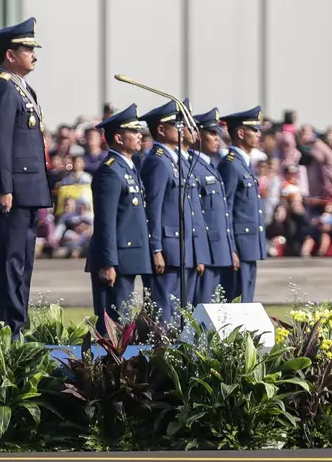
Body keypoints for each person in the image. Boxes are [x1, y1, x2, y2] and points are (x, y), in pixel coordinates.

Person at [0, 17, 52, 335]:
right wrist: (3, 187)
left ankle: (18, 324)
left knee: (23, 263)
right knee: (9, 263)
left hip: (28, 189)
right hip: (12, 192)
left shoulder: (22, 88)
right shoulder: (1, 87)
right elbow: (0, 141)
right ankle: (7, 328)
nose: (33, 54)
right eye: (27, 49)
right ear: (10, 54)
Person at [84, 104, 152, 324]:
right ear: (119, 138)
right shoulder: (110, 171)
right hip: (115, 261)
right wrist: (108, 263)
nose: (139, 135)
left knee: (123, 325)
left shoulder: (128, 168)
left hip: (128, 258)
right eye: (133, 131)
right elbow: (105, 222)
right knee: (113, 327)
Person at [139, 99, 198, 325]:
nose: (183, 130)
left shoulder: (174, 161)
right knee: (163, 315)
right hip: (167, 249)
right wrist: (156, 248)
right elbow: (152, 209)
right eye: (177, 125)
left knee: (181, 315)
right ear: (161, 130)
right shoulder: (158, 162)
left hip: (181, 248)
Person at [218, 106, 267, 302]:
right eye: (254, 130)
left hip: (249, 245)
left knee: (247, 299)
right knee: (238, 301)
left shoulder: (242, 163)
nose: (258, 134)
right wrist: (231, 248)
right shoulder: (230, 164)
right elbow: (226, 209)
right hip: (239, 245)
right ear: (240, 133)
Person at [191, 107, 238, 304]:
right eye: (211, 133)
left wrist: (230, 248)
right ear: (197, 135)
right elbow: (195, 215)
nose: (217, 138)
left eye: (217, 133)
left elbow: (222, 214)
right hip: (206, 251)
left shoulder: (210, 165)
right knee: (201, 310)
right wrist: (198, 254)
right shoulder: (193, 167)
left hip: (218, 250)